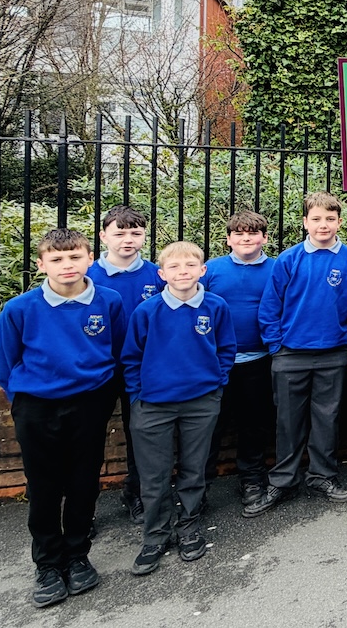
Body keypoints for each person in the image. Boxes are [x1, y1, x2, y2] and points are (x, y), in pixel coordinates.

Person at [0, 228, 127, 608]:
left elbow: (118, 350)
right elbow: (5, 362)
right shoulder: (20, 308)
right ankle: (48, 564)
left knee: (84, 481)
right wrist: (24, 400)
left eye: (74, 257)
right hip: (37, 405)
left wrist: (102, 395)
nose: (67, 265)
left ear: (90, 259)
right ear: (41, 265)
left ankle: (78, 554)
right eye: (56, 259)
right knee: (44, 486)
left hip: (90, 402)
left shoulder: (109, 300)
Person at [246, 192, 347, 517]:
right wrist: (276, 346)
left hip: (333, 354)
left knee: (327, 420)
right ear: (305, 222)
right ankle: (283, 481)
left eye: (330, 219)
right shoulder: (289, 259)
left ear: (339, 222)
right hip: (290, 354)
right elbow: (270, 306)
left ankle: (322, 476)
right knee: (288, 422)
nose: (323, 225)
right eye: (316, 219)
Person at [122, 242, 236, 576]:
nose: (182, 272)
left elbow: (226, 348)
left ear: (203, 270)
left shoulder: (215, 306)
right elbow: (131, 357)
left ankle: (189, 526)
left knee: (194, 469)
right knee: (154, 475)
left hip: (201, 401)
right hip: (153, 404)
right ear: (161, 274)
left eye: (190, 265)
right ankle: (155, 536)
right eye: (174, 267)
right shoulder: (147, 311)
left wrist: (217, 384)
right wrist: (138, 396)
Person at [87, 205, 164, 525]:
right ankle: (83, 510)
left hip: (144, 370)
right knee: (89, 441)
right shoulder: (87, 275)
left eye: (135, 233)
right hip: (99, 371)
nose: (128, 239)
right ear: (103, 236)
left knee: (141, 437)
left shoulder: (156, 274)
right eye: (119, 233)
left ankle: (136, 494)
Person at [201, 211, 275, 509]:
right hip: (214, 363)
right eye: (239, 233)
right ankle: (198, 488)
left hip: (259, 360)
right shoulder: (211, 270)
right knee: (209, 427)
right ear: (229, 239)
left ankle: (252, 479)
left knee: (253, 425)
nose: (246, 238)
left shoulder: (277, 268)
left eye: (253, 233)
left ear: (264, 238)